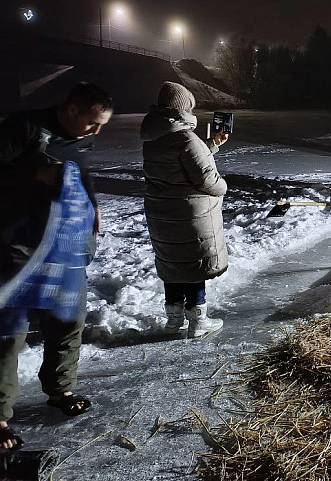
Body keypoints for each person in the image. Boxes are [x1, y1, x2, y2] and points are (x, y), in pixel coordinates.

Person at [0, 82, 113, 452]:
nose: (97, 131)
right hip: (18, 241)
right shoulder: (24, 129)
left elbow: (83, 171)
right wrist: (33, 177)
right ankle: (0, 414)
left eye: (102, 126)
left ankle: (60, 387)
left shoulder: (81, 139)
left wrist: (93, 203)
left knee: (68, 318)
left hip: (64, 244)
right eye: (92, 123)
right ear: (71, 109)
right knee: (10, 329)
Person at [141, 82, 228, 338]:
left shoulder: (154, 138)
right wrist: (223, 186)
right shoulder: (186, 139)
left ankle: (174, 319)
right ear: (182, 108)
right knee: (193, 263)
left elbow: (180, 163)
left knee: (173, 263)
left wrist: (211, 145)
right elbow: (205, 179)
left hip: (163, 212)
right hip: (189, 214)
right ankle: (198, 319)